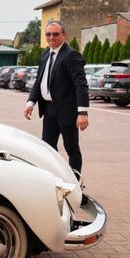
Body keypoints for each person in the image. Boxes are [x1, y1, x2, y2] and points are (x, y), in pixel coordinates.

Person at [23, 20, 89, 176]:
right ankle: (52, 179)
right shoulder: (45, 54)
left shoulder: (71, 55)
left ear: (63, 35)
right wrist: (31, 102)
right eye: (48, 34)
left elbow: (81, 84)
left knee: (71, 148)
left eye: (55, 34)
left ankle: (76, 183)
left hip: (67, 111)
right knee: (47, 147)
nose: (51, 37)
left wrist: (82, 112)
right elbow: (39, 81)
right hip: (49, 110)